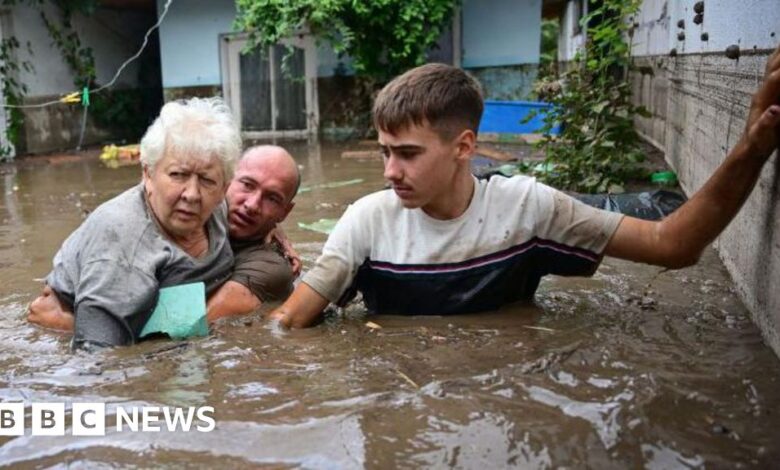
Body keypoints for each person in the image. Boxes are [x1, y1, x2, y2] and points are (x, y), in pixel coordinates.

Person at [270, 46, 780, 329]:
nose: (389, 171)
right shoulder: (367, 220)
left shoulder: (528, 208)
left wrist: (752, 147)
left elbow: (674, 245)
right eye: (384, 151)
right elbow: (287, 326)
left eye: (407, 154)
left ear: (464, 147)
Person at [28, 97, 242, 349]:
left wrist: (273, 232)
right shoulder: (122, 241)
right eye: (178, 175)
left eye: (206, 180)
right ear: (147, 174)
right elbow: (97, 358)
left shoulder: (219, 206)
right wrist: (69, 327)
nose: (192, 194)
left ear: (223, 188)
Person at [28, 145, 302, 331]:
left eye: (272, 198)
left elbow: (187, 323)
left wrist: (66, 323)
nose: (253, 204)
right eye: (247, 185)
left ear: (284, 212)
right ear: (224, 180)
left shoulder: (271, 268)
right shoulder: (195, 206)